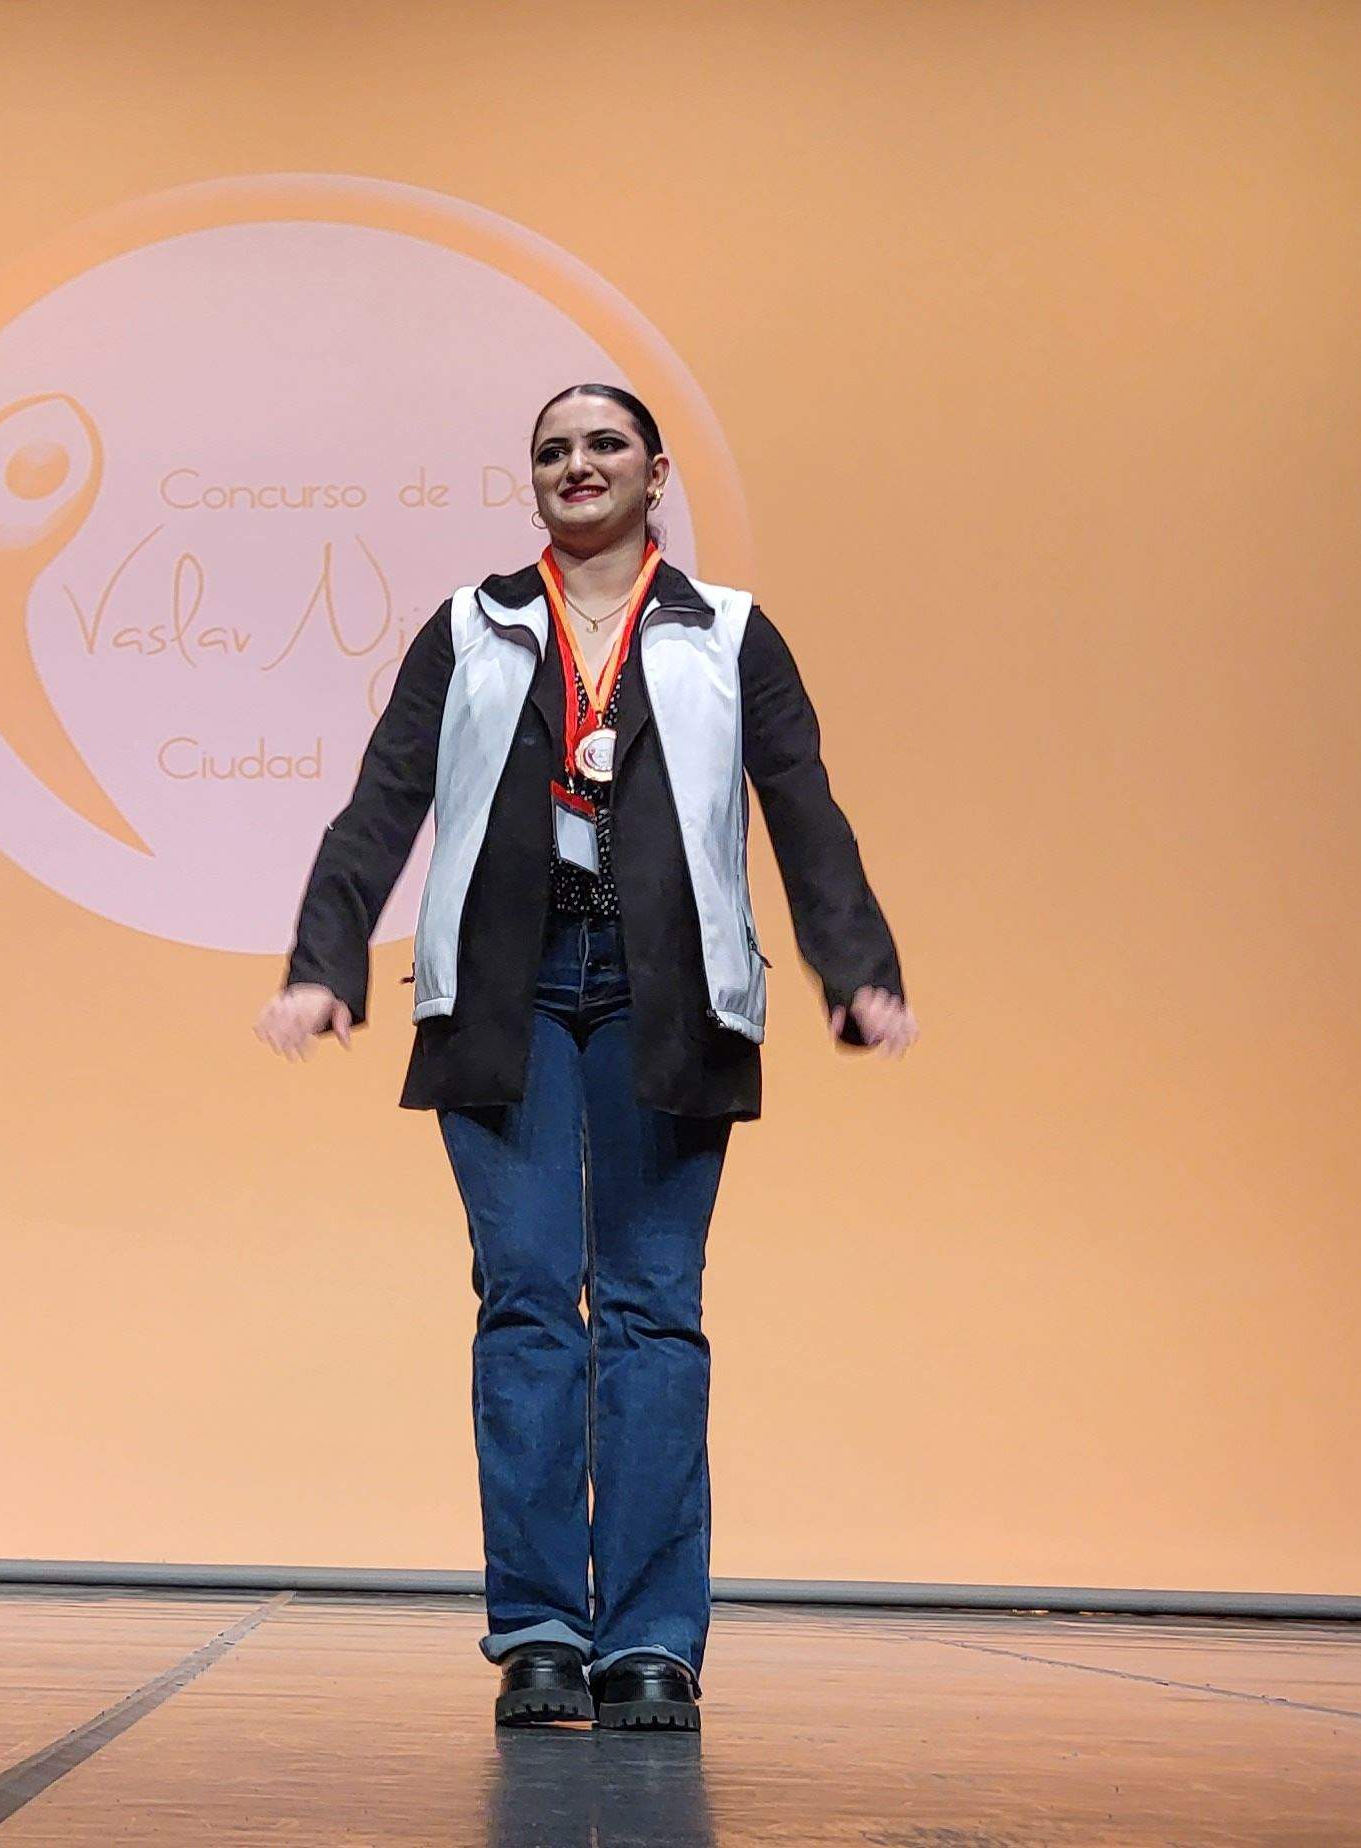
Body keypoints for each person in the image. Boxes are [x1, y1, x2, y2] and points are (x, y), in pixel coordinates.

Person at [259, 384, 915, 1733]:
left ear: (656, 470)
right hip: (506, 993)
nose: (577, 463)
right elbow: (387, 795)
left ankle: (655, 1645)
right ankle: (545, 1632)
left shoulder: (728, 633)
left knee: (652, 1311)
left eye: (604, 442)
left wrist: (856, 970)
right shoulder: (475, 624)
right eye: (553, 448)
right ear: (534, 481)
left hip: (663, 992)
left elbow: (803, 806)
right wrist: (325, 961)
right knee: (527, 1300)